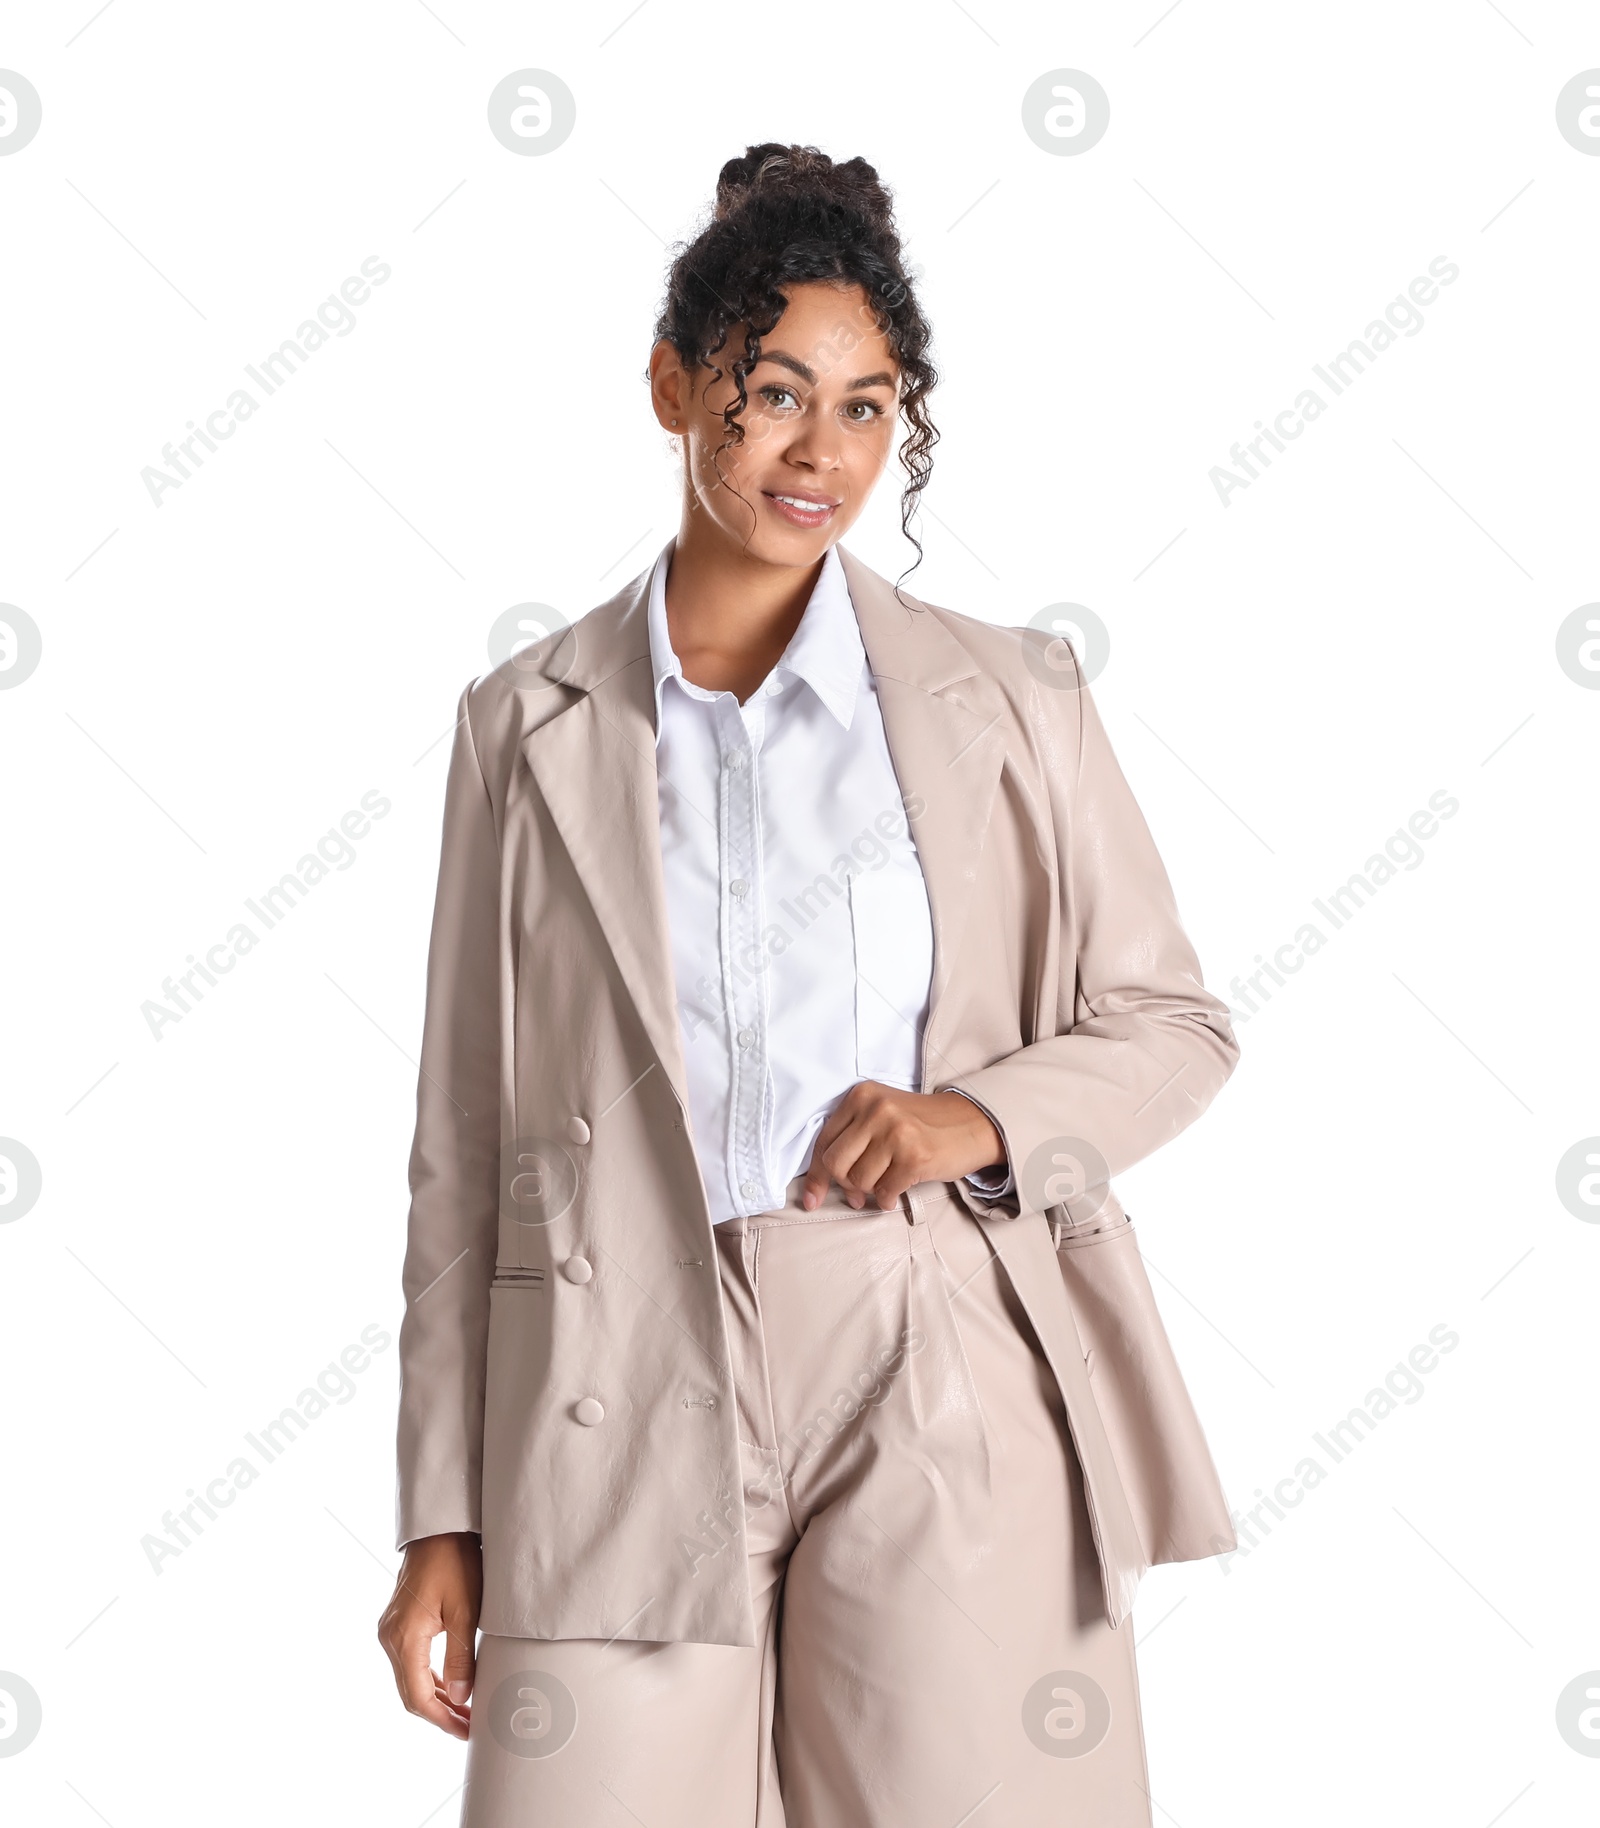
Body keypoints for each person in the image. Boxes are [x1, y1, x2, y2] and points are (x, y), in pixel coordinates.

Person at [377, 141, 1240, 1827]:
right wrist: (439, 1516)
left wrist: (970, 1118)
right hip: (611, 1366)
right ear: (672, 387)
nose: (819, 453)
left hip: (939, 1345)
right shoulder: (525, 724)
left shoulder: (1016, 696)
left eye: (866, 406)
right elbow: (462, 1148)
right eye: (772, 395)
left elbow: (1172, 1025)